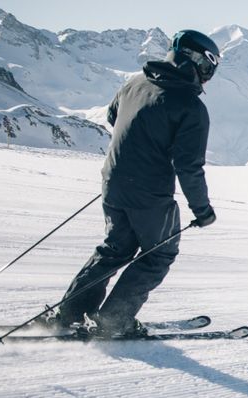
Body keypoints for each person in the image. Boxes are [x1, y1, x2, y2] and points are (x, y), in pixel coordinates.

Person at [51, 30, 221, 337]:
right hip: (149, 192)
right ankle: (114, 320)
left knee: (115, 249)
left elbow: (113, 116)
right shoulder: (190, 106)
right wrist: (202, 209)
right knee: (159, 253)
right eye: (210, 67)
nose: (209, 76)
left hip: (113, 180)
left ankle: (70, 314)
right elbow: (189, 166)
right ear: (196, 60)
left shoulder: (134, 82)